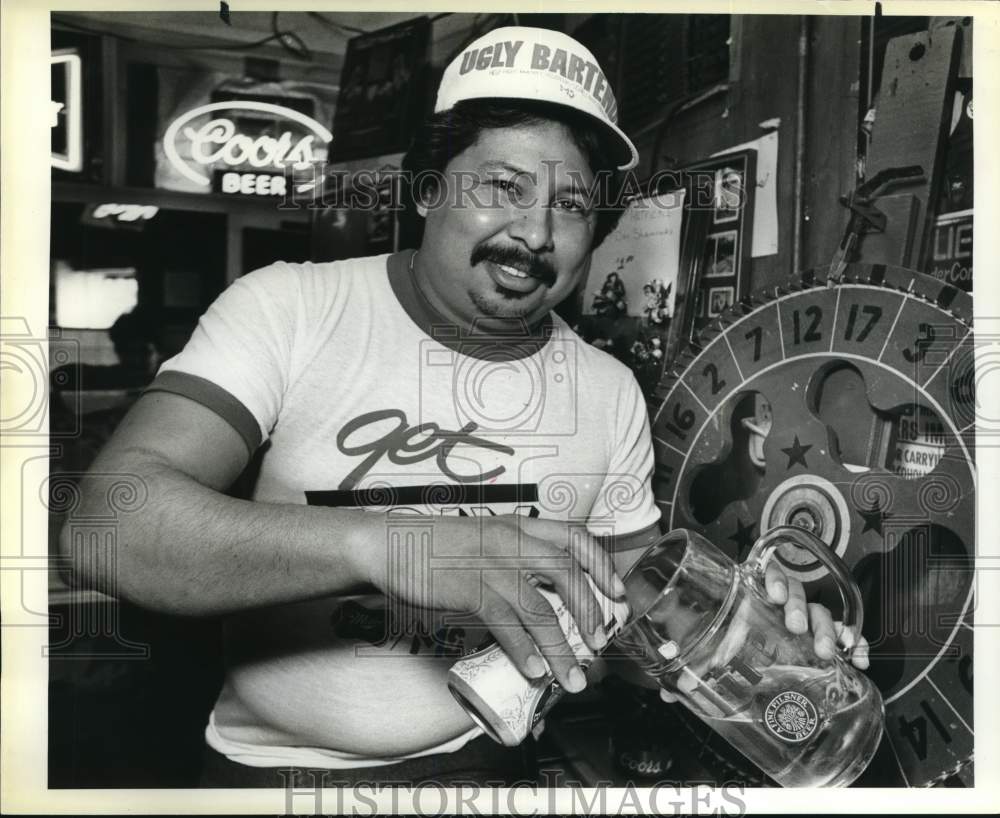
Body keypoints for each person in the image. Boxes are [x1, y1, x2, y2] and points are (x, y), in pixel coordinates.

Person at [62, 25, 869, 787]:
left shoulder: (607, 387)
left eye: (573, 205)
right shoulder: (289, 308)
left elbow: (630, 623)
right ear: (427, 190)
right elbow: (106, 531)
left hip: (492, 768)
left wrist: (753, 647)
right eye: (501, 186)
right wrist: (395, 546)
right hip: (273, 774)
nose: (535, 232)